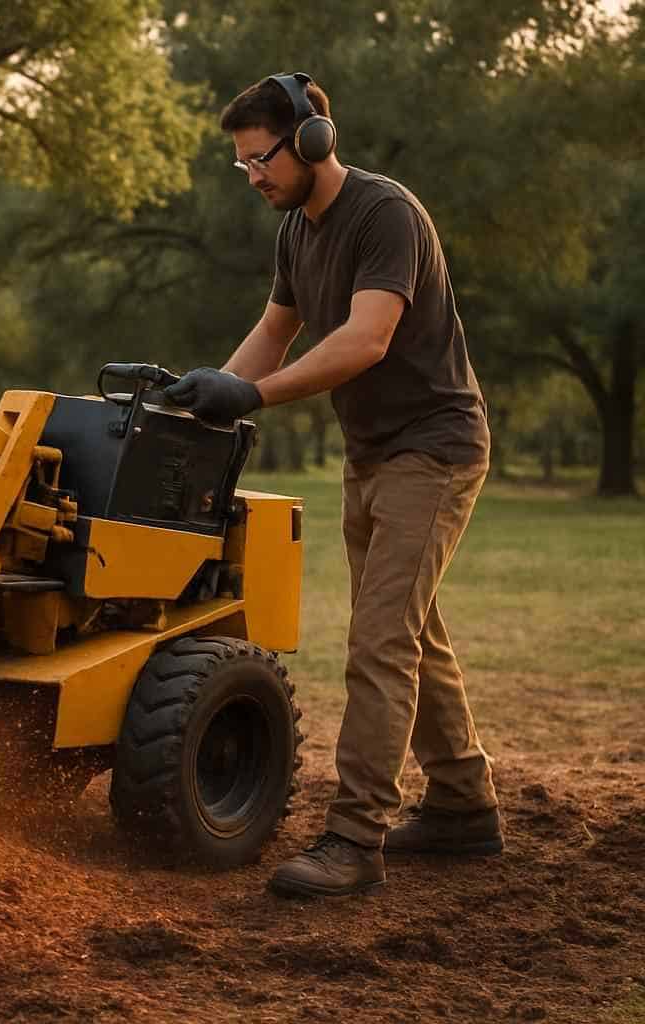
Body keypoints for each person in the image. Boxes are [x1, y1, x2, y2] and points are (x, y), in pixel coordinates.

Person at [165, 72, 502, 897]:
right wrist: (199, 401)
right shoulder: (295, 233)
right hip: (373, 453)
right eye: (241, 166)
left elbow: (363, 340)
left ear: (313, 139)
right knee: (411, 634)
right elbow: (272, 335)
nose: (253, 177)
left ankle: (356, 838)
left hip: (435, 448)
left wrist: (253, 395)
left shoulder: (386, 215)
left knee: (380, 642)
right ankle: (462, 806)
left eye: (261, 159)